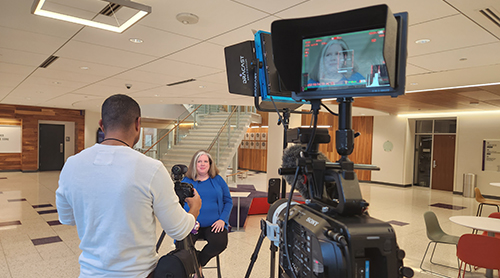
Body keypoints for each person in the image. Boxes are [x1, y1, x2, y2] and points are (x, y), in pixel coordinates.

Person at [56, 94, 202, 278]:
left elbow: (67, 218)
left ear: (102, 124)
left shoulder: (72, 165)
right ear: (137, 124)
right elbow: (178, 229)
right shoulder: (151, 169)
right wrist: (195, 208)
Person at [180, 150, 233, 277]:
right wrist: (186, 220)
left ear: (210, 164)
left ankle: (197, 265)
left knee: (220, 242)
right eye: (199, 161)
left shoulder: (218, 180)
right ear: (194, 164)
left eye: (205, 161)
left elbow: (228, 201)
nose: (202, 164)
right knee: (182, 244)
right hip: (191, 223)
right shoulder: (186, 181)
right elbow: (178, 204)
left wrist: (222, 219)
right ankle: (197, 270)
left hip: (214, 224)